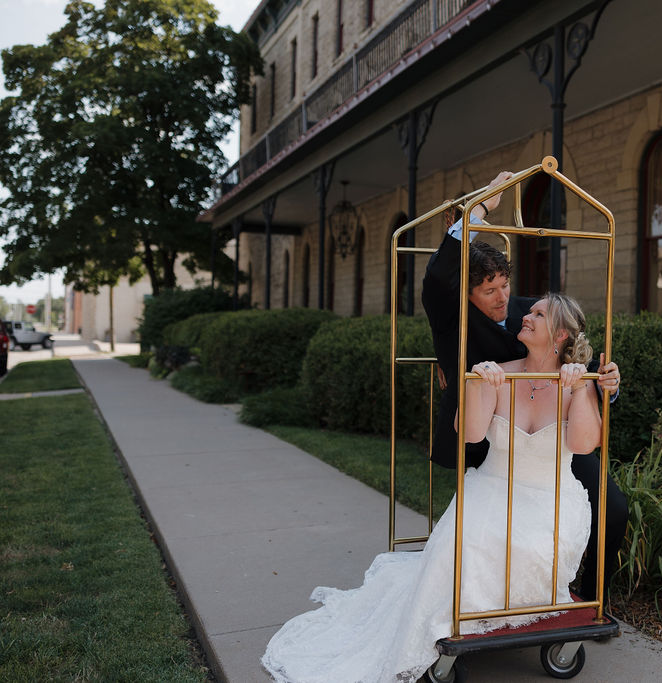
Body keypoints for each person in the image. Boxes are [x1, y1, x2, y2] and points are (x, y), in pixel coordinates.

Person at [261, 293, 599, 683]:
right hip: (492, 488)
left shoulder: (577, 383)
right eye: (530, 310)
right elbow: (470, 434)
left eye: (538, 314)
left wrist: (582, 388)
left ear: (559, 334)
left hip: (551, 500)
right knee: (469, 542)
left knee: (529, 547)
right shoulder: (498, 372)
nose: (526, 315)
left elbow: (583, 445)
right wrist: (479, 384)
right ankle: (448, 621)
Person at [420, 171, 627, 602]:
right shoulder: (449, 312)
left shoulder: (529, 313)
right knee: (488, 529)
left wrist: (606, 381)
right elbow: (440, 274)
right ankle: (487, 602)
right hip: (484, 436)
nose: (501, 297)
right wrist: (481, 207)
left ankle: (593, 600)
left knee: (612, 506)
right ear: (467, 292)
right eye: (488, 290)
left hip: (549, 438)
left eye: (504, 285)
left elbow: (575, 354)